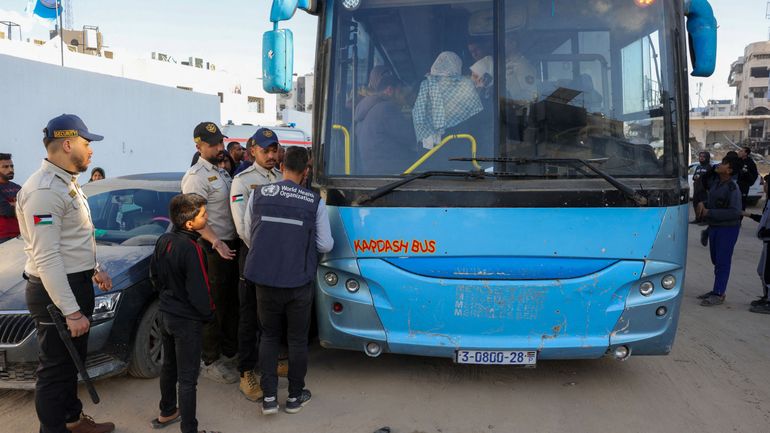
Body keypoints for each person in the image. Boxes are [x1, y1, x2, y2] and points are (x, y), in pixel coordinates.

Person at [16, 114, 115, 433]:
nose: (91, 151)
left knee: (72, 362)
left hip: (74, 282)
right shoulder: (44, 190)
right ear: (68, 143)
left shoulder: (66, 181)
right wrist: (71, 312)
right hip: (55, 293)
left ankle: (73, 421)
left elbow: (75, 238)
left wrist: (94, 269)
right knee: (55, 370)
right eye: (87, 144)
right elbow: (47, 257)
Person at [243, 146, 334, 415]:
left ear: (281, 167)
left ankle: (269, 398)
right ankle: (295, 397)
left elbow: (250, 235)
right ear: (306, 171)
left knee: (268, 336)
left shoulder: (258, 194)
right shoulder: (314, 201)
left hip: (264, 280)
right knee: (296, 340)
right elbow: (325, 244)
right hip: (298, 282)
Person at [149, 193, 220, 433]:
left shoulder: (163, 240)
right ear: (189, 224)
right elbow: (200, 290)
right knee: (188, 379)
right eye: (203, 215)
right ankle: (190, 428)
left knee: (169, 366)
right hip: (187, 321)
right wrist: (209, 314)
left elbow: (154, 277)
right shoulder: (192, 248)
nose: (207, 217)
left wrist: (167, 298)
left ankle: (167, 411)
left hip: (166, 314)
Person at [229, 128, 285, 401]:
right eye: (266, 151)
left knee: (271, 314)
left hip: (276, 257)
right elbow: (243, 228)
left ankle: (269, 362)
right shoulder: (242, 181)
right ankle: (246, 372)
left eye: (275, 150)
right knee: (249, 315)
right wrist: (268, 252)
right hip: (253, 256)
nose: (272, 155)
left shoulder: (280, 178)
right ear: (253, 151)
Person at [181, 122, 239, 384]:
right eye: (213, 144)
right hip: (211, 248)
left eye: (220, 142)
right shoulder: (196, 176)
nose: (219, 147)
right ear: (198, 146)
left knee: (229, 302)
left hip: (229, 245)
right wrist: (216, 242)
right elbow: (195, 217)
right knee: (213, 304)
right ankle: (210, 359)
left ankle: (229, 352)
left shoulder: (222, 172)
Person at [695, 156, 743, 306]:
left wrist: (709, 213)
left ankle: (719, 293)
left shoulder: (733, 188)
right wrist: (703, 204)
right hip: (715, 226)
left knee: (722, 261)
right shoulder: (717, 184)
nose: (719, 165)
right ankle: (716, 289)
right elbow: (715, 203)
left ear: (729, 170)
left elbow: (735, 212)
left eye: (723, 164)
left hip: (728, 228)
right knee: (716, 259)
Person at [412, 51, 483, 151]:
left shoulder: (426, 85)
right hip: (461, 144)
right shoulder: (465, 85)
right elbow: (477, 116)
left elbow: (418, 116)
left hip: (430, 150)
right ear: (457, 66)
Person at [354, 66, 418, 174]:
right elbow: (411, 137)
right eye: (401, 91)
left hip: (374, 169)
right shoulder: (386, 108)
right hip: (391, 172)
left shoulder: (368, 108)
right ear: (389, 90)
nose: (404, 96)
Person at [742, 174, 770, 314]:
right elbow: (764, 220)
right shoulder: (768, 202)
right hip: (766, 241)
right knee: (762, 271)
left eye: (766, 184)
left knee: (768, 273)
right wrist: (749, 215)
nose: (764, 186)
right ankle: (766, 297)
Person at [0, 152, 21, 243]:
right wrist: (19, 205)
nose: (10, 169)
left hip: (21, 235)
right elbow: (6, 210)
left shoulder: (17, 187)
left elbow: (31, 208)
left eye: (12, 166)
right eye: (5, 167)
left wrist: (12, 204)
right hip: (3, 238)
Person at [691, 151, 714, 224]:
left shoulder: (709, 167)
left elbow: (711, 179)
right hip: (697, 189)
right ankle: (698, 219)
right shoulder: (698, 167)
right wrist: (695, 177)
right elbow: (694, 178)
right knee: (695, 203)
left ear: (707, 158)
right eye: (700, 156)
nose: (701, 158)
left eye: (703, 157)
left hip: (705, 189)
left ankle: (705, 220)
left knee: (704, 204)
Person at [737, 146, 759, 211]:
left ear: (746, 153)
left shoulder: (750, 163)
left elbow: (755, 174)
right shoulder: (737, 161)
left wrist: (749, 183)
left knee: (742, 203)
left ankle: (740, 218)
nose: (739, 152)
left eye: (741, 151)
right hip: (735, 185)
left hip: (744, 186)